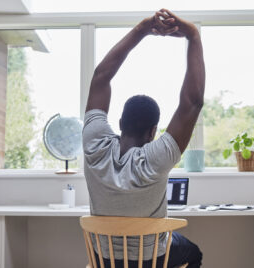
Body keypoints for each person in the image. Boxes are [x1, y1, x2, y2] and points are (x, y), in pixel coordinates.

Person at [83, 8, 205, 268]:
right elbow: (192, 103)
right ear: (153, 132)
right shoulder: (156, 159)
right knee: (193, 253)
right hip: (151, 261)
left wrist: (141, 30)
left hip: (103, 260)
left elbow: (101, 77)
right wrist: (193, 36)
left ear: (119, 123)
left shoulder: (95, 145)